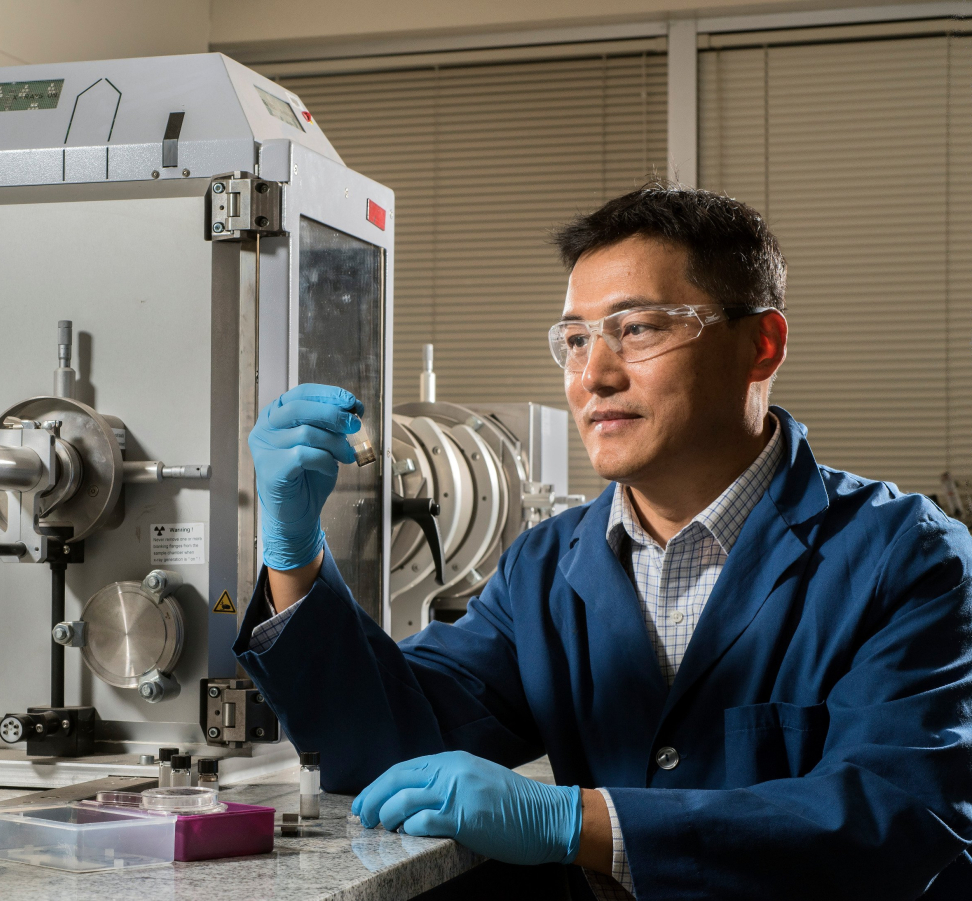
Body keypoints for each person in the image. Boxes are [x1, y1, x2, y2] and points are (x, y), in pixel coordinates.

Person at [233, 184, 972, 899]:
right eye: (577, 338)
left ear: (762, 345)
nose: (594, 375)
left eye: (638, 328)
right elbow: (393, 743)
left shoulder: (909, 556)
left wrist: (580, 820)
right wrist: (294, 553)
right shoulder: (547, 565)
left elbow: (895, 816)